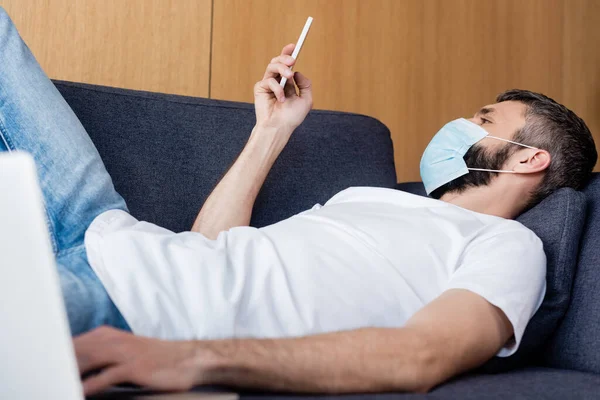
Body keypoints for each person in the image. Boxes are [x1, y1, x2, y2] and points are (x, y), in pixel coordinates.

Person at [0, 7, 596, 396]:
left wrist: (189, 360)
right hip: (109, 228)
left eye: (482, 120)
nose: (459, 125)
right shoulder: (370, 197)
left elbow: (421, 355)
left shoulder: (509, 248)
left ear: (527, 158)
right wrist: (272, 130)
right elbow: (209, 245)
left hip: (127, 303)